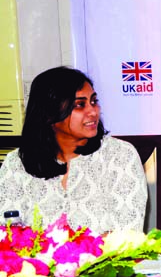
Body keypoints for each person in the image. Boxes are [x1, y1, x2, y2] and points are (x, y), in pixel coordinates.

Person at [0, 66, 147, 233]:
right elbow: (8, 236)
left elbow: (125, 236)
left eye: (93, 101)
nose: (93, 111)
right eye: (80, 105)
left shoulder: (120, 156)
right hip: (32, 260)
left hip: (105, 259)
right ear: (49, 114)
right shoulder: (16, 164)